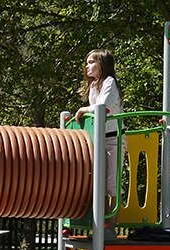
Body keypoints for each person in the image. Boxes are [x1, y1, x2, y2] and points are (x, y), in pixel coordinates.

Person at [74, 49, 124, 238]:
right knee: (99, 183)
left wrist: (84, 109)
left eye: (91, 62)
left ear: (102, 64)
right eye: (87, 62)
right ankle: (101, 225)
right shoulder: (94, 86)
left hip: (113, 138)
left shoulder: (109, 83)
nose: (87, 66)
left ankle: (110, 227)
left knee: (112, 184)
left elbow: (103, 108)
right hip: (98, 139)